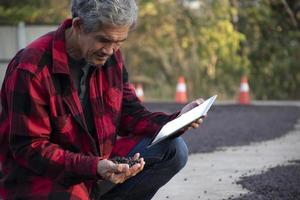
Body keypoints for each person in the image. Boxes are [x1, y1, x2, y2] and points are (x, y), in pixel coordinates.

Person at [0, 0, 205, 199]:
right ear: (79, 25)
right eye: (104, 40)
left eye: (118, 42)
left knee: (173, 150)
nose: (110, 50)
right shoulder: (32, 68)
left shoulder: (110, 56)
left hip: (97, 167)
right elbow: (30, 148)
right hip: (44, 177)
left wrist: (178, 120)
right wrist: (93, 167)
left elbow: (131, 114)